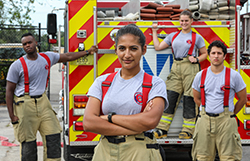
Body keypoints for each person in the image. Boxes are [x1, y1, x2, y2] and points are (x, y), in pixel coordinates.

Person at [6, 32, 98, 161]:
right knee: (28, 144)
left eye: (29, 42)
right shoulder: (17, 65)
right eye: (24, 44)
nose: (27, 45)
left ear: (36, 43)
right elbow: (9, 91)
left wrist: (87, 52)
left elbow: (68, 56)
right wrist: (12, 115)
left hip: (43, 102)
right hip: (24, 104)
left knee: (53, 138)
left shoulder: (47, 57)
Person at [83, 24, 168, 161]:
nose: (127, 55)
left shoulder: (155, 84)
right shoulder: (102, 82)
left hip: (140, 152)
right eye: (122, 48)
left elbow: (150, 120)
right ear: (116, 50)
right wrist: (136, 126)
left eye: (133, 49)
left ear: (144, 50)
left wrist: (109, 118)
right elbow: (89, 123)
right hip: (105, 152)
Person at [151, 10, 208, 139]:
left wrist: (197, 59)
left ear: (191, 21)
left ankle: (188, 130)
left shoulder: (196, 37)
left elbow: (205, 53)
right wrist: (154, 31)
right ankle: (162, 129)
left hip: (190, 68)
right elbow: (158, 47)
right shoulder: (173, 36)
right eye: (181, 20)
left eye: (186, 21)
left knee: (189, 99)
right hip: (176, 67)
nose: (184, 23)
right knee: (170, 97)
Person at [191, 40, 247, 161]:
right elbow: (196, 97)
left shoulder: (234, 75)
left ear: (224, 56)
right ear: (209, 55)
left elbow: (242, 99)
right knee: (202, 157)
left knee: (229, 157)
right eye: (213, 53)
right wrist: (206, 111)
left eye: (219, 53)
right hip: (204, 121)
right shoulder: (200, 76)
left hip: (226, 122)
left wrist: (229, 114)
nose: (216, 56)